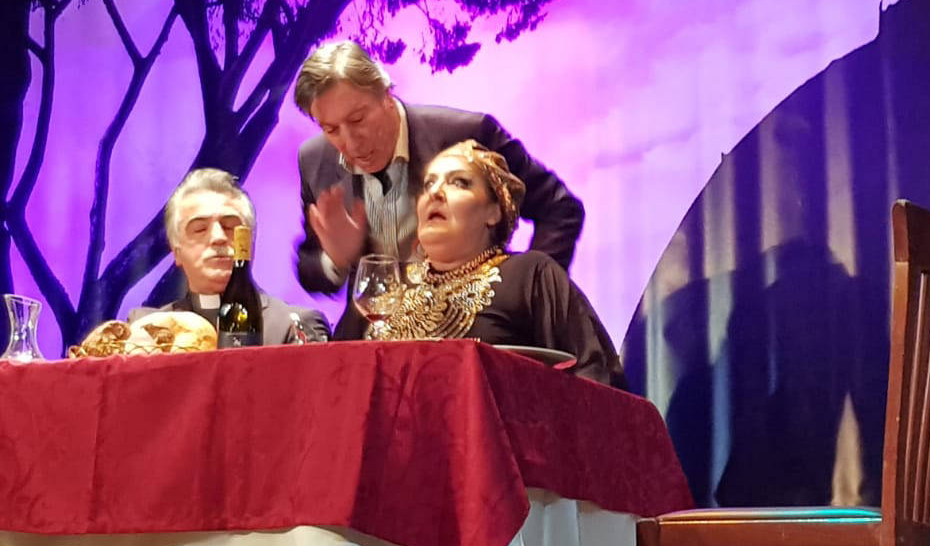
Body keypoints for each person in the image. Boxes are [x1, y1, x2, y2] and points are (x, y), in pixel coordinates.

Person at [292, 40, 584, 340]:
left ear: (386, 95)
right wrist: (336, 260)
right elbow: (310, 269)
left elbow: (560, 209)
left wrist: (528, 297)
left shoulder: (468, 133)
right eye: (331, 129)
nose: (350, 142)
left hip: (472, 331)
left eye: (358, 119)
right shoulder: (315, 161)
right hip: (372, 338)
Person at [367, 139, 623, 387]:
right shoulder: (386, 284)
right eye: (428, 184)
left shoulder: (529, 275)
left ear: (494, 211)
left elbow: (594, 377)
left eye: (459, 182)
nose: (435, 193)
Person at [132, 168, 331, 344]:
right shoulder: (147, 330)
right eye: (200, 229)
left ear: (250, 242)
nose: (218, 238)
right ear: (176, 252)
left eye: (230, 227)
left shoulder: (293, 325)